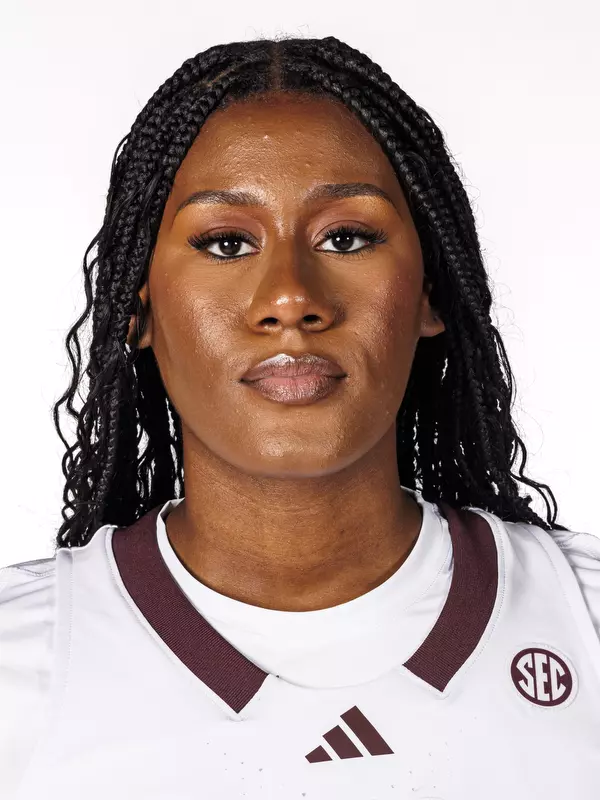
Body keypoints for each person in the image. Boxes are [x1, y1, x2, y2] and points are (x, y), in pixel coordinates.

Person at [1, 35, 599, 800]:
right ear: (138, 308)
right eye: (226, 242)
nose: (290, 297)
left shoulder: (584, 625)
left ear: (429, 294)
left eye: (346, 237)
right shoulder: (20, 669)